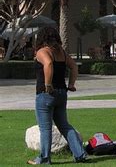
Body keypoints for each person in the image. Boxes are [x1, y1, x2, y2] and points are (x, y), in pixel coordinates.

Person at [27, 27, 88, 165]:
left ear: (41, 38)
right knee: (65, 125)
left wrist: (48, 85)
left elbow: (48, 64)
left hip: (46, 94)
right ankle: (80, 154)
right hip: (62, 93)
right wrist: (71, 84)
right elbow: (74, 66)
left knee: (45, 128)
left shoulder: (42, 52)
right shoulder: (62, 53)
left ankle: (44, 158)